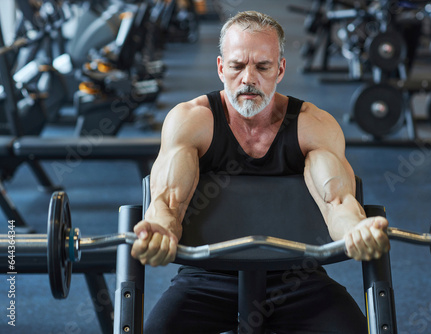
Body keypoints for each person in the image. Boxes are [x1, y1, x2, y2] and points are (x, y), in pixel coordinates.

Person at [131, 10, 390, 333]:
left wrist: (356, 231)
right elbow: (168, 202)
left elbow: (337, 202)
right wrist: (159, 230)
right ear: (221, 67)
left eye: (262, 66)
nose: (248, 79)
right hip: (208, 278)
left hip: (297, 279)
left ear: (280, 69)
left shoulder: (312, 125)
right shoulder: (192, 121)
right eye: (237, 66)